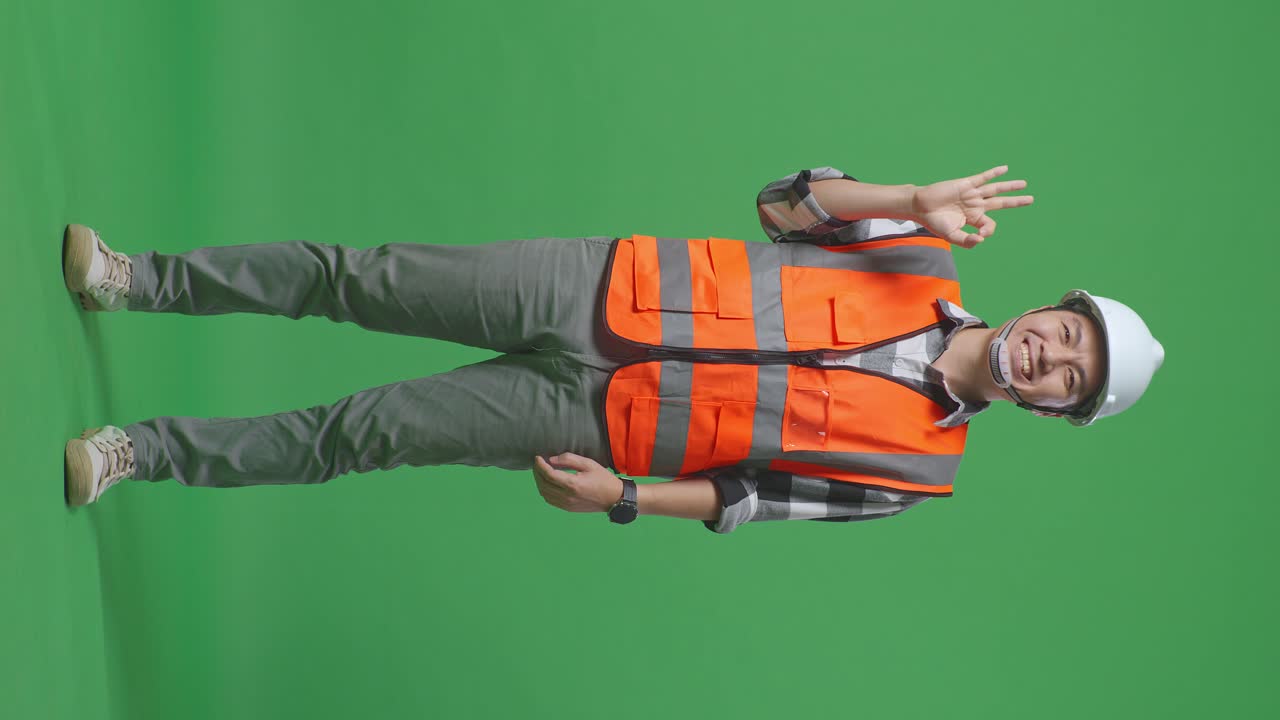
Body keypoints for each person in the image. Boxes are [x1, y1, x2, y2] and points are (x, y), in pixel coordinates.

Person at [61, 164, 1164, 534]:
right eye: (1066, 336)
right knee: (362, 277)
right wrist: (913, 194)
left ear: (1051, 411)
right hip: (596, 286)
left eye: (1070, 379)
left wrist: (625, 500)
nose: (1050, 358)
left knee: (368, 433)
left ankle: (141, 453)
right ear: (1048, 308)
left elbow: (748, 497)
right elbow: (784, 205)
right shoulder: (916, 249)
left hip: (597, 425)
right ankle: (135, 280)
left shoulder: (917, 477)